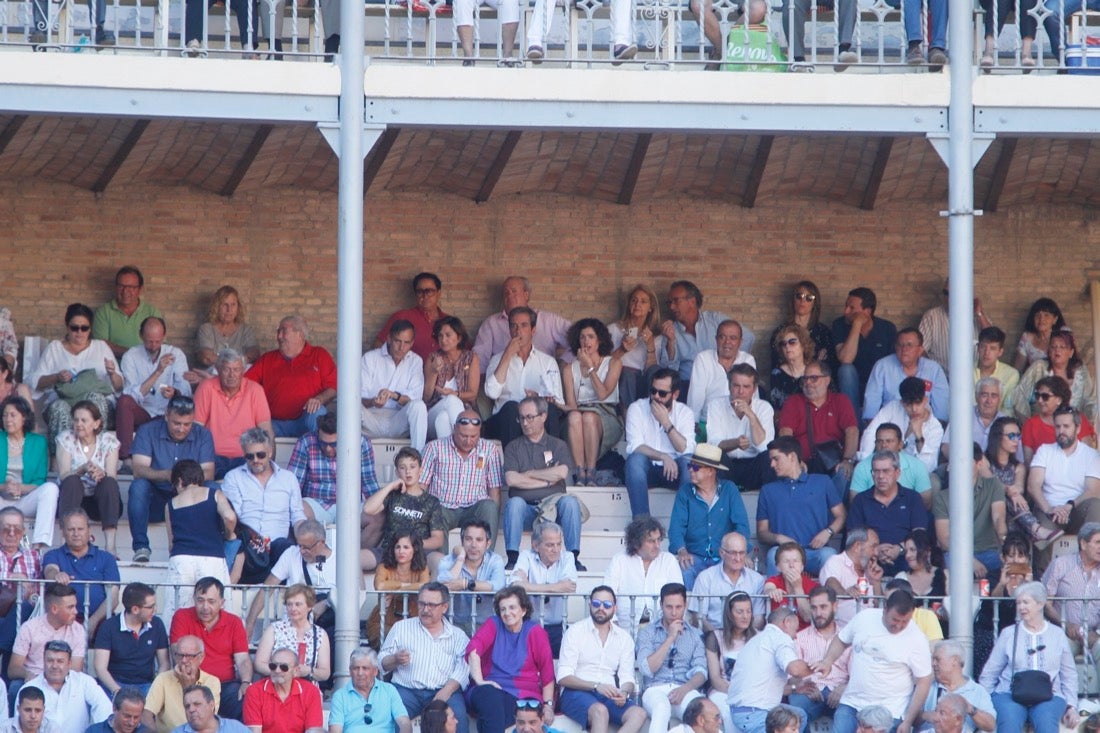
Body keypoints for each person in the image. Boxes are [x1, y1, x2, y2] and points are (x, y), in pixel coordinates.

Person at [812, 589, 933, 733]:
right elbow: (841, 640)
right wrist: (827, 661)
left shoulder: (917, 639)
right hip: (852, 702)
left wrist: (907, 721)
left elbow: (924, 682)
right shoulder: (864, 618)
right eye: (895, 620)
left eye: (905, 621)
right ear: (885, 609)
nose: (899, 625)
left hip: (889, 711)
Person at [978, 581, 1079, 733]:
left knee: (1046, 720)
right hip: (1009, 693)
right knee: (1009, 720)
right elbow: (990, 672)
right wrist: (984, 702)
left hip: (1049, 695)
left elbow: (1069, 674)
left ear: (1040, 604)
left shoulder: (1057, 634)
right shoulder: (1008, 633)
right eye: (1018, 603)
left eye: (1026, 602)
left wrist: (1072, 706)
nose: (1021, 607)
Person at [129, 396, 217, 563]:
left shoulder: (203, 434)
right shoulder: (148, 431)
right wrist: (168, 475)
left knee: (213, 487)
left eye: (187, 424)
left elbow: (209, 472)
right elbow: (139, 470)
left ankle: (211, 547)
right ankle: (141, 547)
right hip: (157, 500)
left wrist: (187, 482)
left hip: (190, 499)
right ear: (166, 415)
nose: (181, 429)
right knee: (139, 486)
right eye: (176, 423)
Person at [502, 396, 583, 571]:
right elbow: (511, 480)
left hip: (553, 508)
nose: (525, 422)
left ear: (543, 416)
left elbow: (561, 473)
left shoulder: (558, 445)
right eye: (521, 418)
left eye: (530, 417)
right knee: (514, 503)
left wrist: (529, 474)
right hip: (526, 510)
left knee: (570, 502)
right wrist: (548, 481)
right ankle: (512, 559)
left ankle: (573, 558)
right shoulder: (513, 447)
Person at [379, 582, 471, 733]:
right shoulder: (401, 628)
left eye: (431, 605)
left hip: (444, 690)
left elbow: (464, 668)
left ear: (444, 607)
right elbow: (381, 662)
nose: (425, 609)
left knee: (458, 719)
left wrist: (446, 692)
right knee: (387, 718)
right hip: (405, 691)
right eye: (421, 604)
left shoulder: (458, 635)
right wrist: (394, 659)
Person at [31, 303, 123, 450]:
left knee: (94, 399)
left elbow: (119, 386)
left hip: (96, 404)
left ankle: (97, 454)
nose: (79, 332)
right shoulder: (55, 348)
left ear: (90, 328)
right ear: (67, 327)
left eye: (84, 328)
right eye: (75, 328)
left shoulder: (101, 347)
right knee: (59, 408)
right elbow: (36, 382)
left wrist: (112, 373)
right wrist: (57, 377)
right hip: (64, 402)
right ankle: (60, 461)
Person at [555, 586, 646, 733]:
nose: (601, 608)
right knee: (600, 711)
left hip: (609, 694)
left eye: (607, 605)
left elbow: (627, 677)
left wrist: (623, 692)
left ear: (614, 609)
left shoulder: (624, 639)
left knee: (639, 714)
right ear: (590, 605)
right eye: (597, 603)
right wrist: (596, 686)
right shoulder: (575, 632)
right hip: (575, 692)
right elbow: (563, 677)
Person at [464, 586, 555, 733]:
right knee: (490, 697)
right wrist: (481, 681)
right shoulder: (493, 624)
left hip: (522, 695)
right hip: (490, 690)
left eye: (512, 607)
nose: (507, 613)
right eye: (503, 609)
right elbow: (473, 650)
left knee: (490, 715)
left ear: (523, 610)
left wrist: (548, 705)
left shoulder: (535, 632)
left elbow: (547, 671)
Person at [221, 428, 306, 583]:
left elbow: (297, 516)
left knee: (288, 548)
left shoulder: (288, 479)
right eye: (249, 456)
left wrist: (304, 536)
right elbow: (235, 518)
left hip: (277, 545)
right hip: (249, 544)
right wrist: (255, 540)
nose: (255, 460)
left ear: (270, 452)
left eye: (260, 454)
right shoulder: (233, 477)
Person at [757, 435, 845, 576]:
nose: (772, 465)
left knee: (830, 556)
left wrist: (828, 532)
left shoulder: (822, 482)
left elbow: (841, 515)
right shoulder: (768, 490)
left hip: (817, 552)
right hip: (784, 553)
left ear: (791, 456)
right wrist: (779, 538)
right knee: (773, 555)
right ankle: (775, 598)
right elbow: (762, 532)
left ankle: (829, 598)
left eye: (776, 459)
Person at [169, 578, 253, 721]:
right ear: (194, 599)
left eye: (211, 601)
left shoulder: (234, 622)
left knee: (245, 701)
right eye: (200, 600)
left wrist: (246, 682)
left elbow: (243, 659)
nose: (205, 607)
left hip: (225, 686)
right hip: (191, 682)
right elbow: (177, 653)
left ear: (222, 603)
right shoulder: (182, 616)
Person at [243, 520, 337, 648]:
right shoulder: (292, 554)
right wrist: (250, 623)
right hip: (292, 631)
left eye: (307, 547)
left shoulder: (340, 558)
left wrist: (327, 603)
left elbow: (357, 593)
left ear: (321, 543)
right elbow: (267, 589)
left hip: (328, 631)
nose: (302, 551)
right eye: (300, 546)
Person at [668, 443, 749, 589]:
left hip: (725, 557)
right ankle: (691, 612)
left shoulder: (729, 489)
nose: (691, 470)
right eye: (690, 466)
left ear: (711, 471)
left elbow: (741, 526)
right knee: (685, 569)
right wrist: (682, 550)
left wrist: (742, 552)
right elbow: (675, 529)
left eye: (696, 467)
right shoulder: (684, 492)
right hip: (695, 557)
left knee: (742, 570)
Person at [116, 316, 198, 461]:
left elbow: (186, 391)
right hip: (143, 412)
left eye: (158, 341)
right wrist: (158, 372)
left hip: (167, 414)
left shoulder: (176, 354)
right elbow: (131, 395)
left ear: (164, 336)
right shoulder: (131, 356)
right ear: (141, 336)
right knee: (124, 401)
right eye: (149, 341)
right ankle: (126, 458)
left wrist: (175, 393)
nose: (154, 345)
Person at [164, 460, 236, 618]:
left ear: (180, 481)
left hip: (181, 560)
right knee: (215, 611)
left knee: (178, 614)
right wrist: (229, 535)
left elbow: (171, 544)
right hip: (211, 559)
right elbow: (230, 517)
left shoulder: (170, 504)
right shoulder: (214, 494)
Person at [777, 360, 859, 498]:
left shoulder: (840, 401)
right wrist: (794, 460)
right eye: (805, 379)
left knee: (844, 473)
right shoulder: (793, 402)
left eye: (814, 378)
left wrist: (848, 460)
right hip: (803, 464)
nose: (808, 383)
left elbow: (852, 431)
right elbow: (785, 434)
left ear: (827, 380)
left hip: (834, 464)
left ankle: (833, 515)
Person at [245, 316, 337, 439]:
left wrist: (319, 399)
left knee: (318, 413)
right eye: (278, 332)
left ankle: (317, 455)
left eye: (284, 331)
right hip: (274, 423)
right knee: (251, 426)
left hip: (306, 421)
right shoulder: (267, 359)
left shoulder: (319, 355)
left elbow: (334, 387)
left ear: (300, 335)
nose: (279, 336)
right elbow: (246, 384)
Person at [484, 307, 564, 447]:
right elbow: (491, 392)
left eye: (524, 325)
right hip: (506, 419)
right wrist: (507, 355)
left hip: (536, 418)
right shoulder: (498, 359)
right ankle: (511, 466)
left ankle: (551, 462)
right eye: (513, 326)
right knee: (511, 408)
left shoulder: (547, 362)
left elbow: (558, 401)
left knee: (549, 409)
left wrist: (539, 397)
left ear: (533, 330)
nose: (518, 331)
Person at [288, 412, 379, 532]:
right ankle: (311, 550)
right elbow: (293, 486)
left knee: (377, 517)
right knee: (298, 510)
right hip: (316, 505)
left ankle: (361, 551)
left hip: (351, 507)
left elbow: (369, 483)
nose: (327, 448)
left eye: (333, 444)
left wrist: (380, 506)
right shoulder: (306, 442)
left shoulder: (361, 444)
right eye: (323, 443)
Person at [421, 411, 503, 543]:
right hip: (443, 507)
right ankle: (441, 561)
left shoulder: (489, 449)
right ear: (454, 429)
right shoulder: (434, 448)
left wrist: (493, 516)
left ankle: (487, 560)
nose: (468, 441)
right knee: (435, 511)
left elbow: (495, 491)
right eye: (463, 436)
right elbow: (421, 486)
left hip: (474, 507)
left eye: (473, 436)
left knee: (489, 506)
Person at [727, 607, 813, 733]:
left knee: (800, 715)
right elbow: (795, 670)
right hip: (756, 714)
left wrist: (795, 689)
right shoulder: (780, 638)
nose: (795, 637)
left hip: (742, 711)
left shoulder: (756, 640)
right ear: (787, 622)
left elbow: (762, 688)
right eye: (795, 630)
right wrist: (820, 666)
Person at [658, 280, 754, 394]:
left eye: (676, 301)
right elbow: (669, 372)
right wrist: (671, 342)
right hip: (689, 384)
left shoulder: (715, 320)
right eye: (669, 302)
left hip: (722, 380)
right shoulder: (670, 331)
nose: (672, 307)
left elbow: (748, 337)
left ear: (692, 301)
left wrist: (731, 362)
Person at [635, 582, 706, 733]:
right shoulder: (647, 632)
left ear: (685, 605)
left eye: (678, 607)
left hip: (684, 687)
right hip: (654, 688)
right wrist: (670, 638)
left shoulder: (695, 635)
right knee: (662, 707)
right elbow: (647, 669)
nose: (674, 613)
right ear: (661, 605)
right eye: (669, 607)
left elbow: (701, 673)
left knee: (703, 712)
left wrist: (685, 689)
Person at [623, 368, 696, 517]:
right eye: (653, 391)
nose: (656, 396)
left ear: (675, 395)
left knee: (690, 463)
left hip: (675, 470)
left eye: (662, 393)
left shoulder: (685, 412)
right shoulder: (636, 408)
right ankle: (642, 525)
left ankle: (682, 523)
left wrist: (666, 422)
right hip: (647, 469)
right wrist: (663, 456)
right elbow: (635, 446)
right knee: (635, 461)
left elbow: (685, 448)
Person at [847, 450, 931, 576]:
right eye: (876, 471)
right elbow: (853, 538)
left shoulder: (912, 498)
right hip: (869, 559)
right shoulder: (861, 500)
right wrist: (875, 550)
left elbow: (919, 534)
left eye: (886, 471)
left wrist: (899, 549)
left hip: (906, 557)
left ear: (897, 473)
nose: (880, 476)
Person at [54, 401, 122, 556]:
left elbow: (112, 476)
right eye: (76, 420)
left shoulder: (108, 441)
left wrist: (101, 474)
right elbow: (64, 475)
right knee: (71, 480)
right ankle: (65, 545)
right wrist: (81, 469)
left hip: (99, 503)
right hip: (71, 499)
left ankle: (111, 547)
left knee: (109, 483)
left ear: (96, 423)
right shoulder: (66, 438)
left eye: (84, 420)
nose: (78, 424)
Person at [192, 350, 273, 480]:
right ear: (218, 370)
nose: (231, 375)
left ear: (243, 371)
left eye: (236, 369)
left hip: (247, 458)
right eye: (226, 369)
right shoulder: (206, 387)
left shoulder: (255, 390)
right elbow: (196, 429)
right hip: (212, 458)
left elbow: (266, 431)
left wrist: (269, 462)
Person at [561, 318, 623, 485]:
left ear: (599, 340)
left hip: (606, 413)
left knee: (588, 416)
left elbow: (602, 394)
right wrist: (555, 403)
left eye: (590, 337)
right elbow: (572, 405)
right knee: (574, 416)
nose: (585, 341)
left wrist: (589, 367)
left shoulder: (614, 363)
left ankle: (592, 471)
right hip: (580, 413)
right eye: (582, 337)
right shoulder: (569, 369)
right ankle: (580, 473)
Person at [363, 447, 445, 569]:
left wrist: (412, 544)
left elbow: (438, 539)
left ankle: (430, 589)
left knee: (440, 561)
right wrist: (390, 486)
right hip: (390, 550)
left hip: (419, 553)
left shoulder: (431, 502)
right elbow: (368, 509)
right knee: (355, 559)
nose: (408, 472)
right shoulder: (392, 495)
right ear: (397, 472)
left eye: (412, 467)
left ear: (420, 470)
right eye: (403, 467)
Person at [933, 446, 1007, 579]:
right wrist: (969, 561)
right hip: (955, 553)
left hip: (989, 551)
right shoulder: (942, 497)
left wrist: (1003, 538)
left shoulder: (993, 485)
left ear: (979, 464)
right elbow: (944, 539)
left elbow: (998, 517)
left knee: (1005, 569)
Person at [1026, 406, 1100, 538]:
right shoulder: (1044, 451)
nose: (1061, 431)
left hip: (1076, 510)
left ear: (1077, 429)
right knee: (1044, 537)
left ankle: (1093, 555)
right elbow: (1033, 486)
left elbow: (1093, 490)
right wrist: (1049, 509)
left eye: (1066, 426)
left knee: (1095, 505)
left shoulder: (1091, 455)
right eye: (1058, 427)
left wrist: (1069, 506)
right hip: (1049, 510)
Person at [474, 277, 572, 374]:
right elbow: (479, 358)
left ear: (526, 295)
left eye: (514, 291)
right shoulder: (491, 324)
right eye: (506, 293)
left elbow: (578, 339)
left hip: (542, 380)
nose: (509, 295)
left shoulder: (548, 321)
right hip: (505, 382)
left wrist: (563, 364)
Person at [42, 509, 119, 633]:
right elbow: (49, 570)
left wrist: (93, 622)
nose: (76, 533)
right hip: (62, 619)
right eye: (71, 529)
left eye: (80, 529)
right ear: (63, 532)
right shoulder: (53, 555)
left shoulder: (106, 558)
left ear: (89, 531)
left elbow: (113, 598)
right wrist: (56, 575)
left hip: (99, 619)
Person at [509, 522, 577, 658]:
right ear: (536, 545)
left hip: (558, 627)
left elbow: (569, 587)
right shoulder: (526, 556)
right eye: (550, 545)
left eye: (559, 544)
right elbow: (515, 586)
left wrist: (529, 586)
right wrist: (555, 587)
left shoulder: (567, 557)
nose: (556, 549)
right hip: (529, 625)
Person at [0, 397, 60, 550]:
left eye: (13, 415)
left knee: (50, 488)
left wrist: (20, 488)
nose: (8, 419)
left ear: (24, 417)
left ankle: (37, 546)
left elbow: (40, 480)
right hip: (1, 499)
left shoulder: (38, 442)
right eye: (5, 415)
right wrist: (4, 487)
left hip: (25, 500)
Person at [602, 517, 682, 632]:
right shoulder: (619, 560)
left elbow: (678, 597)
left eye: (659, 540)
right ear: (636, 543)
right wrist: (614, 628)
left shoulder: (668, 561)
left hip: (662, 632)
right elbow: (607, 595)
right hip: (624, 630)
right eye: (651, 541)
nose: (657, 545)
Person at [788, 586, 851, 733]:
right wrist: (803, 684)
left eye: (823, 607)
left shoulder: (848, 636)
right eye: (814, 608)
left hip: (840, 690)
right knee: (793, 715)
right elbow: (790, 677)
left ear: (835, 606)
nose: (818, 613)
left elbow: (858, 674)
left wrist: (844, 687)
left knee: (849, 715)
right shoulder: (800, 638)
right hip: (810, 690)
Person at [360, 320, 427, 451]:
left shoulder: (415, 361)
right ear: (389, 339)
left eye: (406, 343)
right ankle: (347, 457)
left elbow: (414, 399)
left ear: (412, 343)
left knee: (419, 406)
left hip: (398, 420)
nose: (401, 347)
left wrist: (394, 395)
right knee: (349, 404)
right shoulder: (370, 358)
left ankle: (418, 458)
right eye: (397, 341)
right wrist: (373, 402)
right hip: (371, 419)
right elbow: (359, 398)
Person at [705, 364, 775, 491]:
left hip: (752, 465)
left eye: (746, 387)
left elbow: (765, 447)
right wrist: (735, 443)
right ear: (729, 386)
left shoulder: (764, 408)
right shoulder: (715, 405)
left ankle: (769, 504)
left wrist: (751, 416)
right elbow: (713, 445)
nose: (741, 391)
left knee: (768, 458)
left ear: (754, 389)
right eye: (736, 385)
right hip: (726, 465)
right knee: (716, 456)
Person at [92, 583, 169, 698]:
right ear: (135, 609)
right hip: (115, 684)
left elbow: (164, 663)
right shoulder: (109, 627)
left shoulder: (157, 624)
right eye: (150, 607)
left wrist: (155, 689)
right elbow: (100, 668)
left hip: (146, 685)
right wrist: (117, 691)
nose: (155, 610)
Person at [830, 287, 897, 415]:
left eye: (851, 308)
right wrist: (857, 324)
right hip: (851, 384)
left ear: (867, 311)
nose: (846, 311)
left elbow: (892, 364)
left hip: (878, 382)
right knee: (846, 369)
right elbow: (845, 359)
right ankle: (854, 425)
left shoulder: (887, 328)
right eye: (846, 306)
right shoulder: (839, 324)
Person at [973, 533, 1032, 675]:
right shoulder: (992, 576)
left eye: (1020, 556)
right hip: (992, 631)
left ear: (1027, 559)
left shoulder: (1033, 578)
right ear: (1003, 558)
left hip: (1021, 632)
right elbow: (990, 605)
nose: (1016, 560)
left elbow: (1035, 609)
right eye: (1011, 556)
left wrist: (1028, 585)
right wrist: (1001, 584)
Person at [859, 376, 944, 473]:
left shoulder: (935, 428)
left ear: (925, 400)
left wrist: (918, 436)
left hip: (914, 475)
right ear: (902, 402)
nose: (914, 409)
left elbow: (928, 467)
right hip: (884, 469)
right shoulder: (893, 407)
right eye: (908, 404)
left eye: (918, 403)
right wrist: (865, 463)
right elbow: (871, 432)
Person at [863, 328, 949, 423]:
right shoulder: (882, 366)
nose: (904, 349)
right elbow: (871, 403)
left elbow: (942, 409)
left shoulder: (934, 369)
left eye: (909, 345)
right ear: (895, 347)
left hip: (924, 425)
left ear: (920, 350)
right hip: (890, 424)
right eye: (900, 345)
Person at [1041, 522, 1100, 660]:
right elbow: (1044, 603)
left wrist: (1097, 633)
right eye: (1097, 542)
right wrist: (1065, 624)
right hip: (1064, 633)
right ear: (1083, 544)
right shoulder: (1061, 564)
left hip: (1094, 636)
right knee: (1057, 650)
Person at [24, 641, 111, 733]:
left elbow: (104, 709)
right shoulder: (29, 688)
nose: (54, 666)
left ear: (69, 663)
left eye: (60, 661)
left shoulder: (83, 682)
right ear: (44, 662)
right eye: (50, 660)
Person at [10, 584, 87, 689]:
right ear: (54, 609)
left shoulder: (78, 630)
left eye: (75, 606)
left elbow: (75, 669)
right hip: (34, 680)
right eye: (70, 607)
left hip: (64, 682)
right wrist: (28, 675)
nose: (76, 611)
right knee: (15, 687)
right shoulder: (29, 628)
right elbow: (13, 669)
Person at [436, 519, 506, 632]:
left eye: (479, 540)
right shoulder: (447, 561)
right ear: (462, 541)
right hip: (454, 625)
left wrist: (466, 584)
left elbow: (498, 586)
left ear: (488, 544)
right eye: (468, 539)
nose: (473, 545)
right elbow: (443, 585)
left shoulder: (495, 560)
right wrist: (460, 558)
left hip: (486, 626)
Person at [252, 585, 330, 685]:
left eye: (298, 604)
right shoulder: (274, 629)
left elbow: (325, 673)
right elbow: (259, 664)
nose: (293, 608)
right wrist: (283, 672)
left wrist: (308, 671)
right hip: (277, 687)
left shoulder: (320, 634)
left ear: (309, 606)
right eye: (289, 604)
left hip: (307, 691)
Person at [688, 531, 765, 631]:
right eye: (733, 553)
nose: (738, 558)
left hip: (748, 638)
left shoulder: (757, 579)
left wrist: (743, 638)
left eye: (742, 553)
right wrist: (719, 638)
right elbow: (699, 618)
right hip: (714, 637)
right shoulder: (705, 577)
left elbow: (759, 619)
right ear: (721, 553)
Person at [364, 534, 430, 651]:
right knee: (391, 638)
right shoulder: (384, 567)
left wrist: (395, 586)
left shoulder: (422, 568)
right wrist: (405, 586)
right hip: (385, 617)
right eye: (397, 547)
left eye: (406, 547)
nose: (401, 551)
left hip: (413, 618)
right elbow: (380, 585)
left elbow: (424, 586)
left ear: (414, 549)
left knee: (415, 640)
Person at [1014, 330, 1096, 422]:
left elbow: (1091, 401)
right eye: (1053, 347)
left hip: (1073, 428)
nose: (1057, 350)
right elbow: (1019, 394)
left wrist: (1085, 424)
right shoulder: (1039, 367)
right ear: (1049, 351)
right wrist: (1028, 422)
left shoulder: (1081, 371)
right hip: (1041, 427)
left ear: (1071, 352)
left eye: (1062, 347)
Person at [703, 592, 756, 733]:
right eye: (740, 612)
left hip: (751, 692)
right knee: (728, 712)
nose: (745, 616)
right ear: (729, 614)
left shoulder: (758, 638)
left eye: (748, 611)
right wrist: (735, 693)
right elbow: (715, 678)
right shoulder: (715, 637)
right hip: (722, 690)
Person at [0, 508, 44, 678]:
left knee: (24, 609)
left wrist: (29, 590)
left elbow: (40, 590)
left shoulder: (33, 556)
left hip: (19, 616)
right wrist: (12, 577)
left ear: (23, 532)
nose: (12, 533)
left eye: (17, 529)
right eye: (6, 528)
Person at [144, 638, 222, 733]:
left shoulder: (212, 681)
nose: (184, 660)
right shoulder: (163, 679)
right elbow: (146, 713)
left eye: (189, 656)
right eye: (180, 655)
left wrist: (187, 686)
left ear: (201, 657)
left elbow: (208, 719)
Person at [918, 640, 996, 733]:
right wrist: (926, 715)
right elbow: (908, 719)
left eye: (937, 659)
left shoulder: (977, 691)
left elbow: (991, 725)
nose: (933, 664)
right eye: (933, 660)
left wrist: (969, 708)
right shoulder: (926, 688)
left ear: (954, 661)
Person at [918, 279, 994, 373]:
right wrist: (934, 372)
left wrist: (979, 313)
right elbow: (920, 349)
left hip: (973, 378)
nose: (948, 298)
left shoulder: (976, 315)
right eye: (946, 293)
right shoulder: (932, 316)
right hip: (942, 377)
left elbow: (993, 339)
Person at [607, 285, 663, 413]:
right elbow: (603, 364)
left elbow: (653, 369)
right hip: (623, 379)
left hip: (644, 381)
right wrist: (622, 350)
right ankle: (628, 420)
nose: (638, 304)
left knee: (655, 372)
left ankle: (653, 419)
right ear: (629, 304)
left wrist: (650, 346)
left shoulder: (657, 336)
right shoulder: (614, 329)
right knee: (628, 374)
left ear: (651, 308)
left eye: (643, 301)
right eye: (634, 300)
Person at [423, 316, 480, 441]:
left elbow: (472, 395)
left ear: (459, 337)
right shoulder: (433, 358)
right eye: (440, 336)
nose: (443, 340)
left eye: (448, 335)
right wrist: (433, 372)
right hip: (433, 412)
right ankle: (467, 439)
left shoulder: (471, 358)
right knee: (450, 400)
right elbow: (426, 398)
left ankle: (451, 457)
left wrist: (454, 393)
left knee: (443, 419)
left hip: (466, 413)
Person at [685, 320, 755, 421]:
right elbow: (695, 401)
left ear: (740, 342)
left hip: (739, 421)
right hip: (709, 422)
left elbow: (753, 397)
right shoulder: (703, 359)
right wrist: (693, 428)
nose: (727, 342)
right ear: (716, 339)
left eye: (733, 338)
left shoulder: (748, 360)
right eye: (722, 337)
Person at [241, 648, 324, 733]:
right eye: (273, 666)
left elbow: (313, 730)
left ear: (296, 671)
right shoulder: (254, 691)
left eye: (284, 667)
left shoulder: (311, 692)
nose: (277, 670)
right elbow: (254, 731)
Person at [329, 648, 410, 733]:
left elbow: (405, 723)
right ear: (350, 671)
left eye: (365, 668)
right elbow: (335, 730)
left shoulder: (389, 691)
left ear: (375, 671)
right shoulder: (340, 696)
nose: (360, 673)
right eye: (356, 668)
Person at [850, 423, 932, 507]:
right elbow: (855, 503)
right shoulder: (862, 467)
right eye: (880, 441)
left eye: (889, 441)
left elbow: (925, 502)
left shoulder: (917, 466)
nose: (884, 445)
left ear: (900, 444)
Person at [1020, 376, 1098, 464]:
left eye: (1045, 396)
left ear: (1059, 399)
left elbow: (1088, 455)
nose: (1040, 400)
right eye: (1037, 396)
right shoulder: (1030, 424)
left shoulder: (1078, 418)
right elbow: (1029, 462)